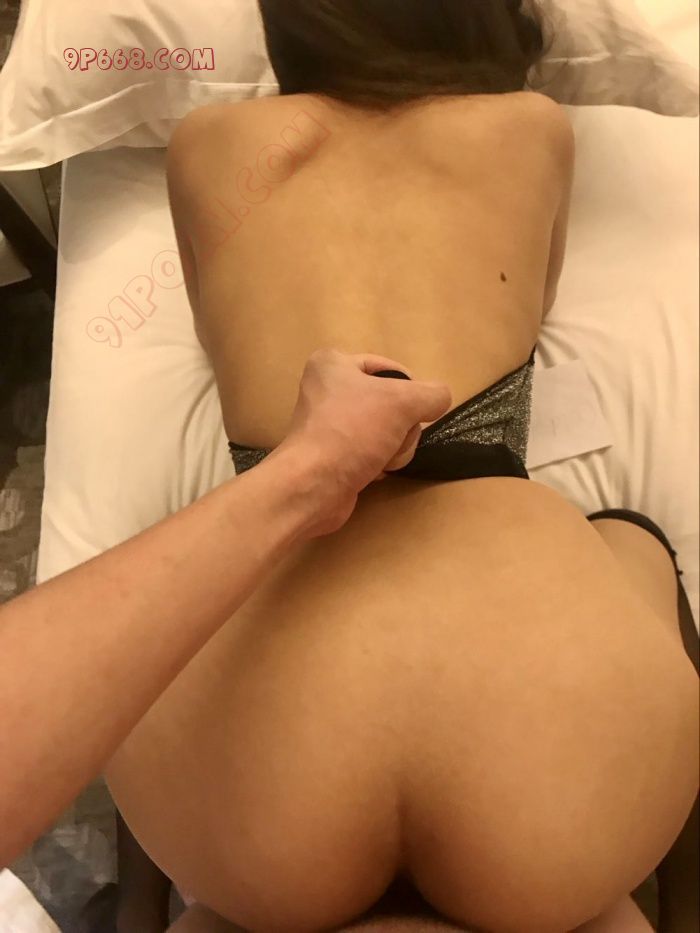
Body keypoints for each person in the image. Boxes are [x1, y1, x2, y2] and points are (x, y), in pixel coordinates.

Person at [106, 1, 700, 931]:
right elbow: (534, 308)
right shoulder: (531, 127)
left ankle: (142, 904)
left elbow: (211, 323)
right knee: (636, 543)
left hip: (258, 743)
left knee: (153, 601)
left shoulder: (207, 143)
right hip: (542, 742)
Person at [0, 349, 449, 866]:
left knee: (229, 906)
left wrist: (307, 473)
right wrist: (310, 471)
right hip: (502, 664)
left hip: (224, 797)